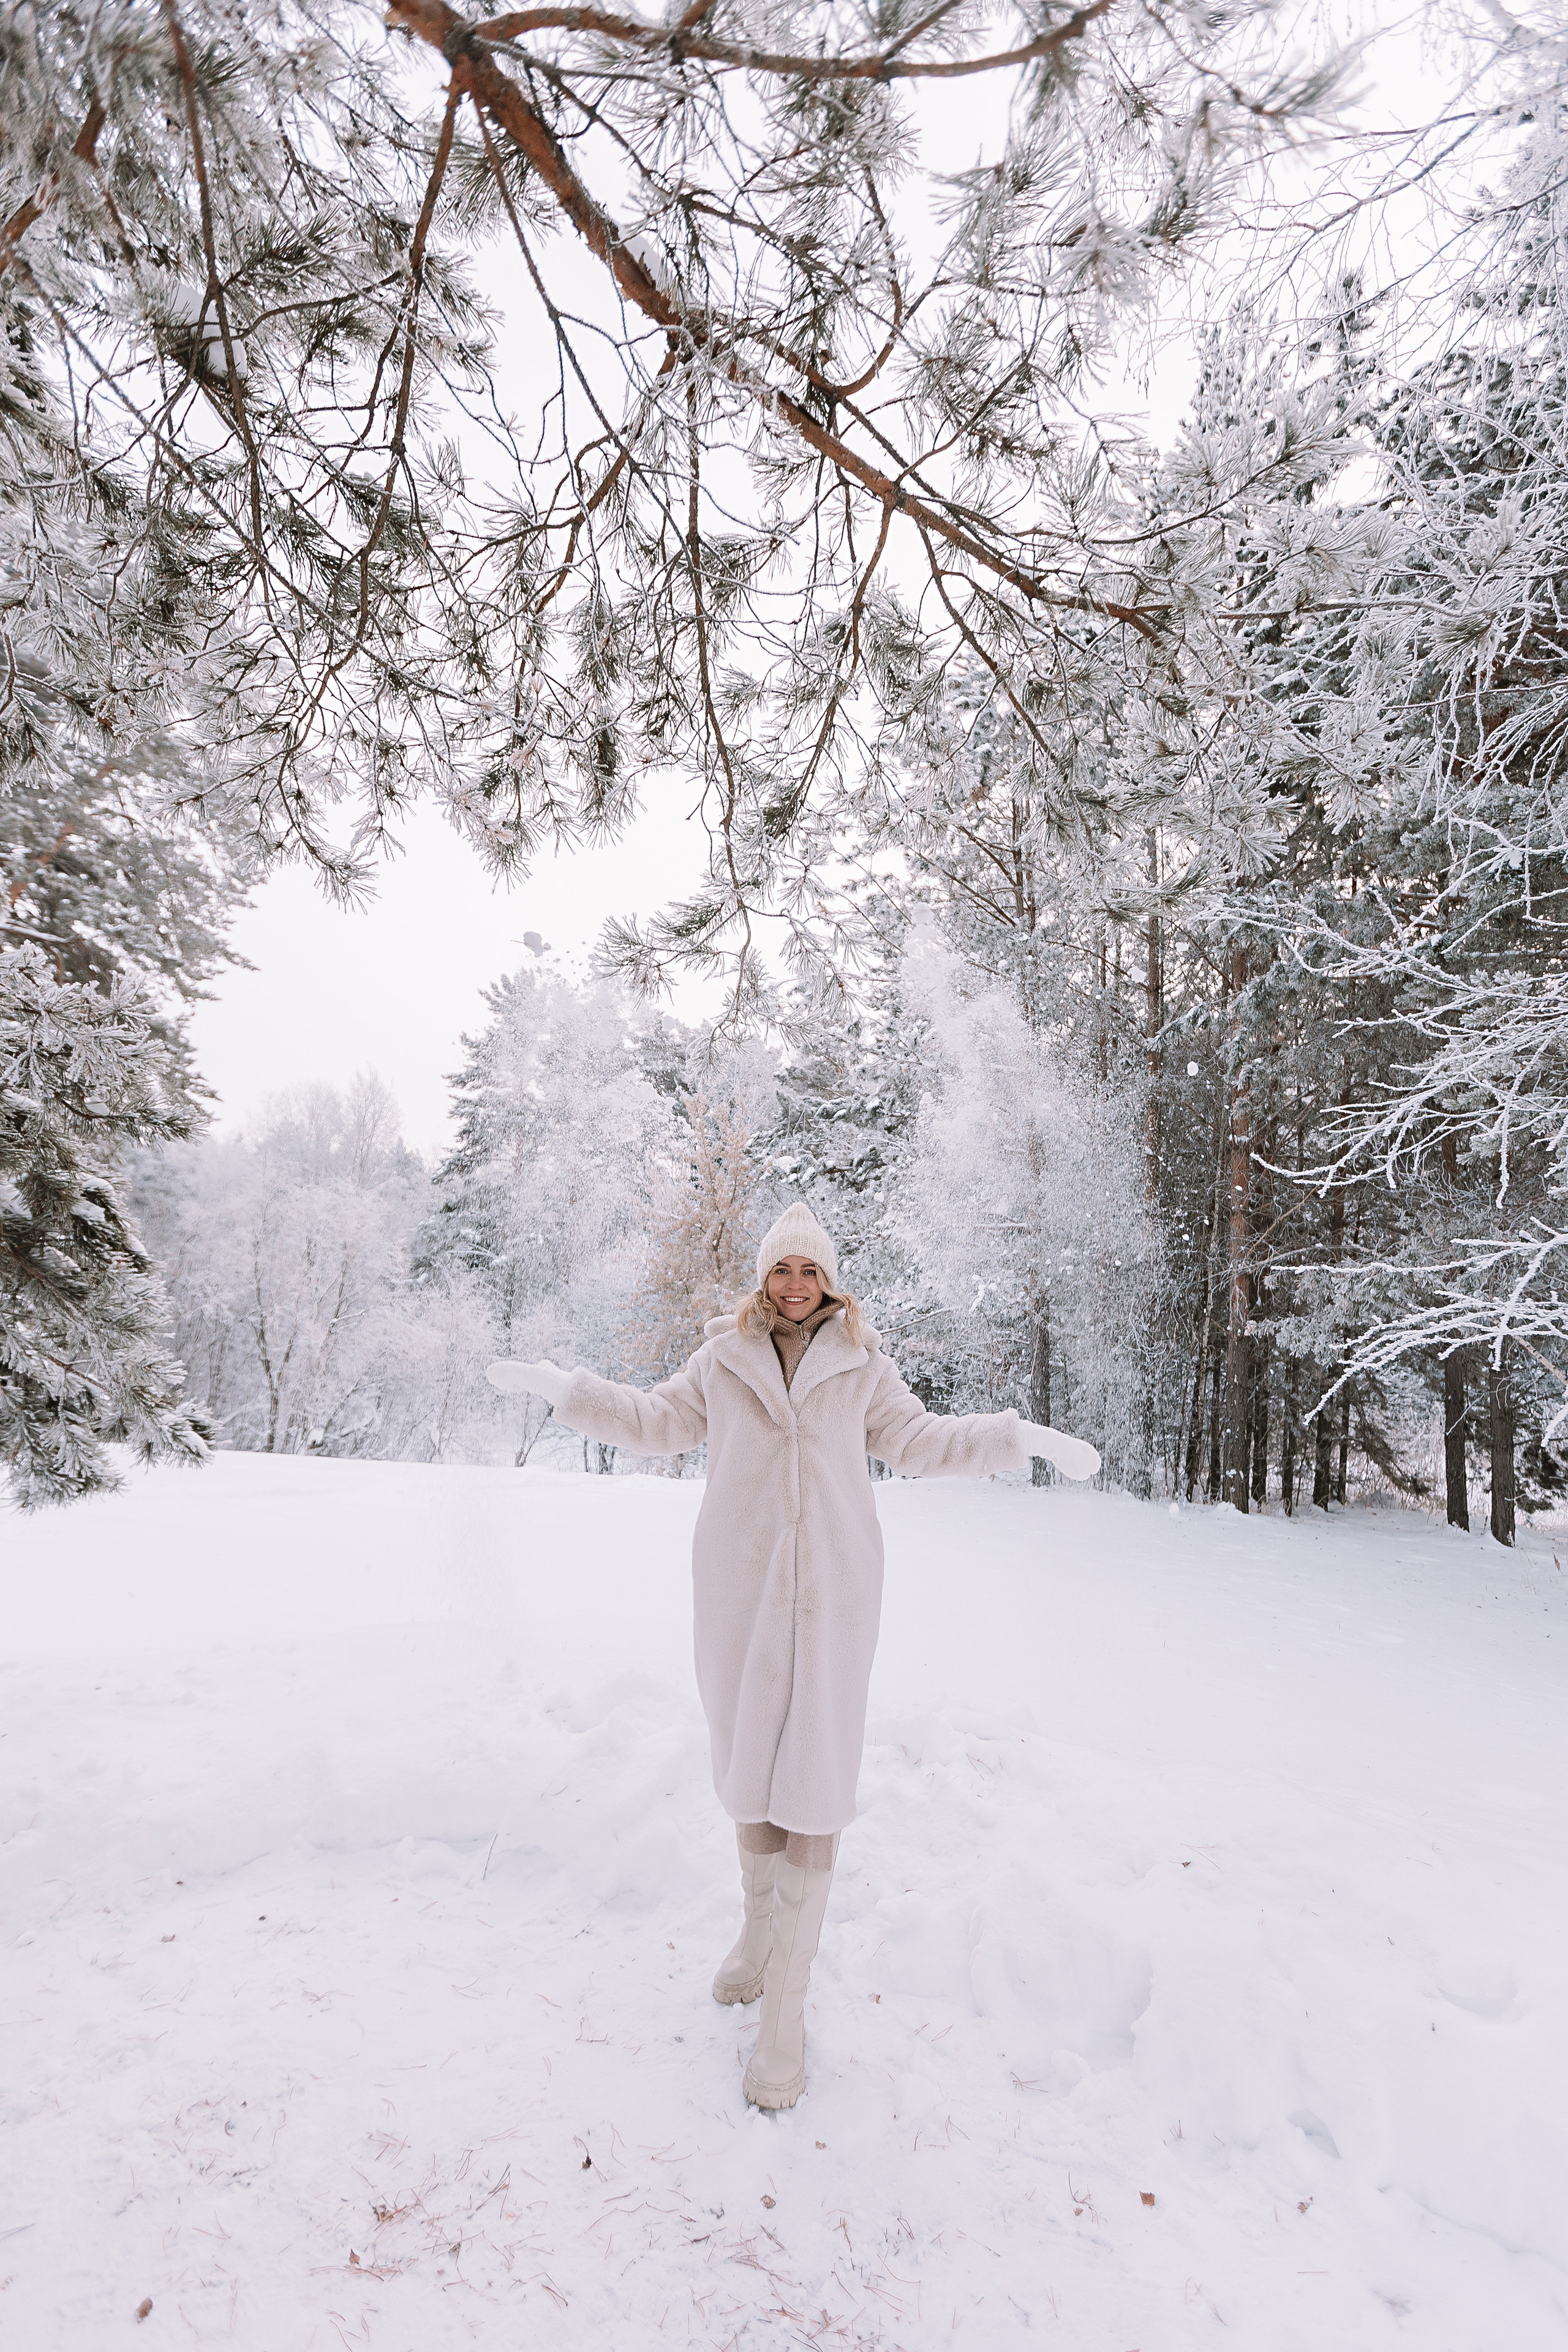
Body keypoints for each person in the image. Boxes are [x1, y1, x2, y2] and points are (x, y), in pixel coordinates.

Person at [486, 1201, 1099, 2112]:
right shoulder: (723, 1360)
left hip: (837, 1596)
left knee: (812, 1777)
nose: (796, 1285)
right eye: (783, 1270)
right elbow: (656, 1422)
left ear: (831, 1280)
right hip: (738, 1589)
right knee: (748, 1767)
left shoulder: (862, 1365)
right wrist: (566, 1391)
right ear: (764, 1279)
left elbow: (922, 1443)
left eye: (810, 1271)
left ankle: (787, 2011)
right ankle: (757, 1936)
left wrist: (1016, 1440)